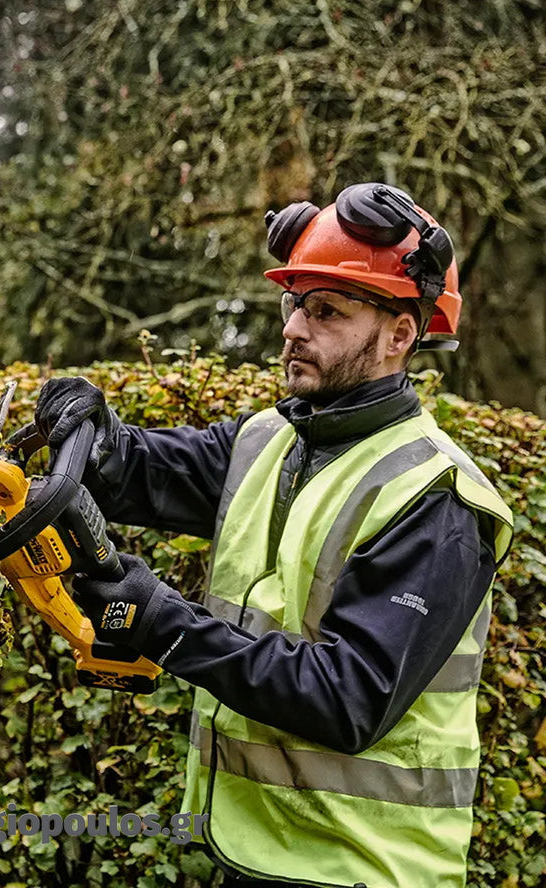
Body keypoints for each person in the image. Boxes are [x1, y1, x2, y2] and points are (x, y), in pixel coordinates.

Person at [34, 182, 513, 888]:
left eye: (327, 311)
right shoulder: (272, 440)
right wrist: (88, 428)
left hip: (364, 867)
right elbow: (140, 470)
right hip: (256, 851)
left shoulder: (436, 497)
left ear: (399, 335)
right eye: (295, 304)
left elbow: (348, 699)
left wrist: (162, 623)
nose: (293, 329)